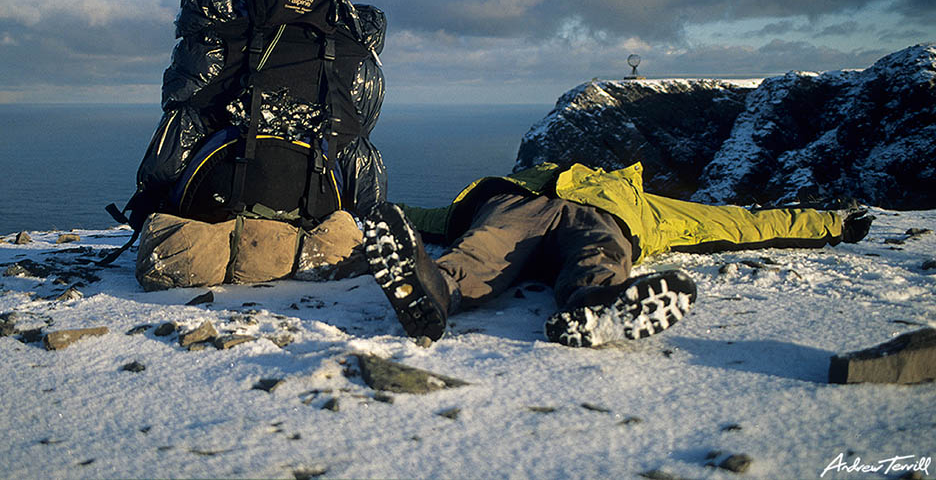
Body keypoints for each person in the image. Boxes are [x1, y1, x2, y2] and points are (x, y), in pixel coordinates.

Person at [362, 160, 873, 348]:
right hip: (520, 207)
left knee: (599, 250)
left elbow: (740, 222)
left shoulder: (643, 202)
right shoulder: (525, 180)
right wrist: (373, 214)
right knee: (486, 242)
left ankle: (598, 306)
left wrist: (832, 223)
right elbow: (432, 219)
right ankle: (431, 291)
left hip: (600, 220)